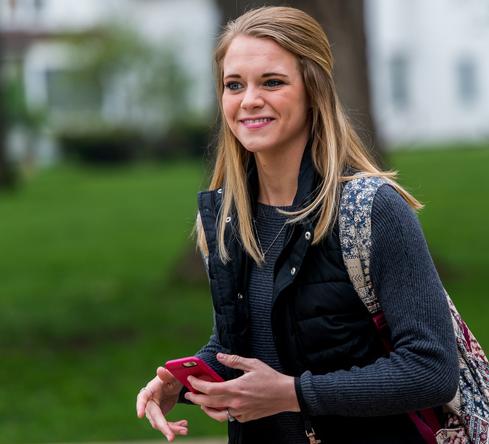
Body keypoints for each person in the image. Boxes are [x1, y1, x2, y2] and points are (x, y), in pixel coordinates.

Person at [135, 6, 458, 443]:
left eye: (272, 82)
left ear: (314, 91)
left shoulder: (372, 209)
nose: (249, 100)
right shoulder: (227, 216)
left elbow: (431, 370)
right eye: (234, 85)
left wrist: (292, 394)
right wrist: (192, 376)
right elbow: (254, 338)